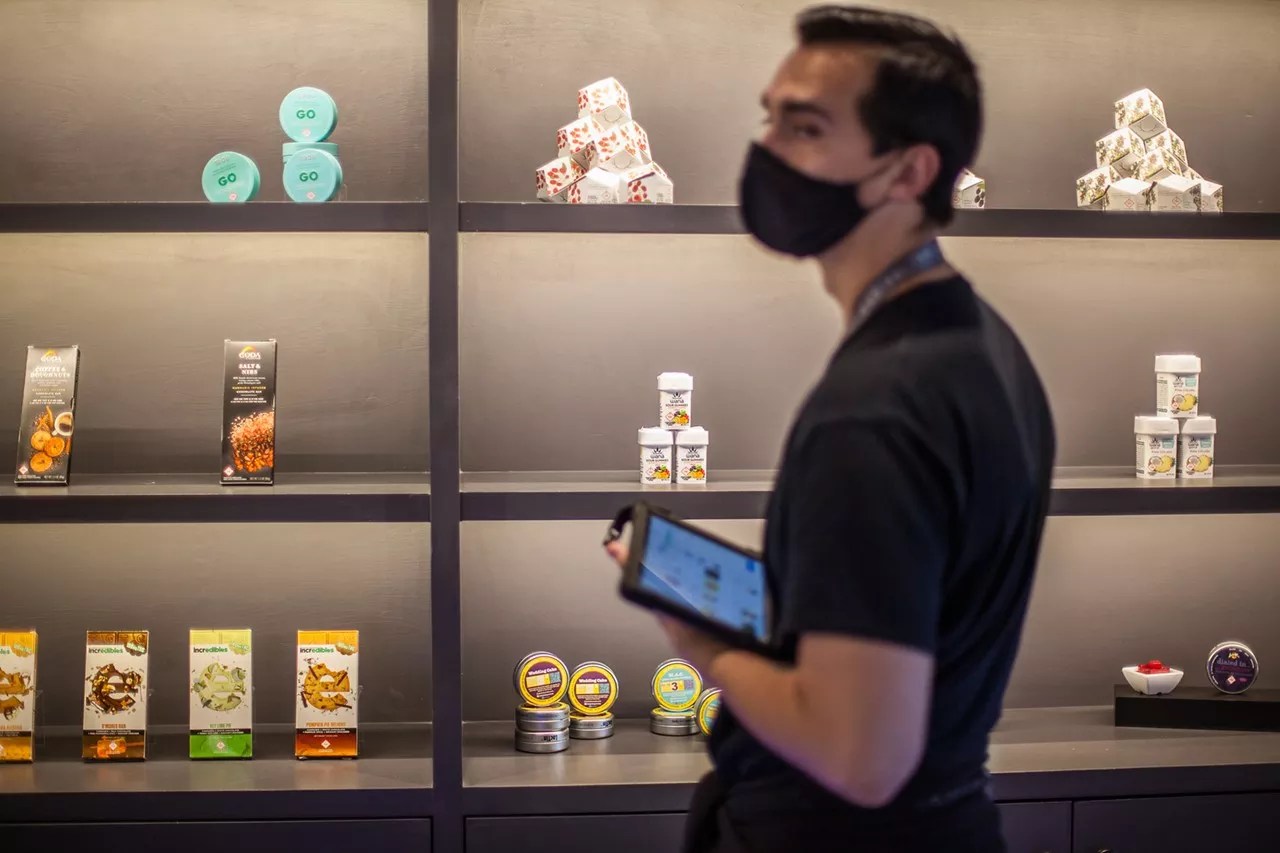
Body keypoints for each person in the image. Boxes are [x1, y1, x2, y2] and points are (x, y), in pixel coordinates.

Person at [605, 6, 1056, 852]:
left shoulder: (874, 411)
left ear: (909, 170)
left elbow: (862, 756)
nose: (768, 151)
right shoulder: (982, 343)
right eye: (770, 118)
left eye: (806, 128)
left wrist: (702, 642)